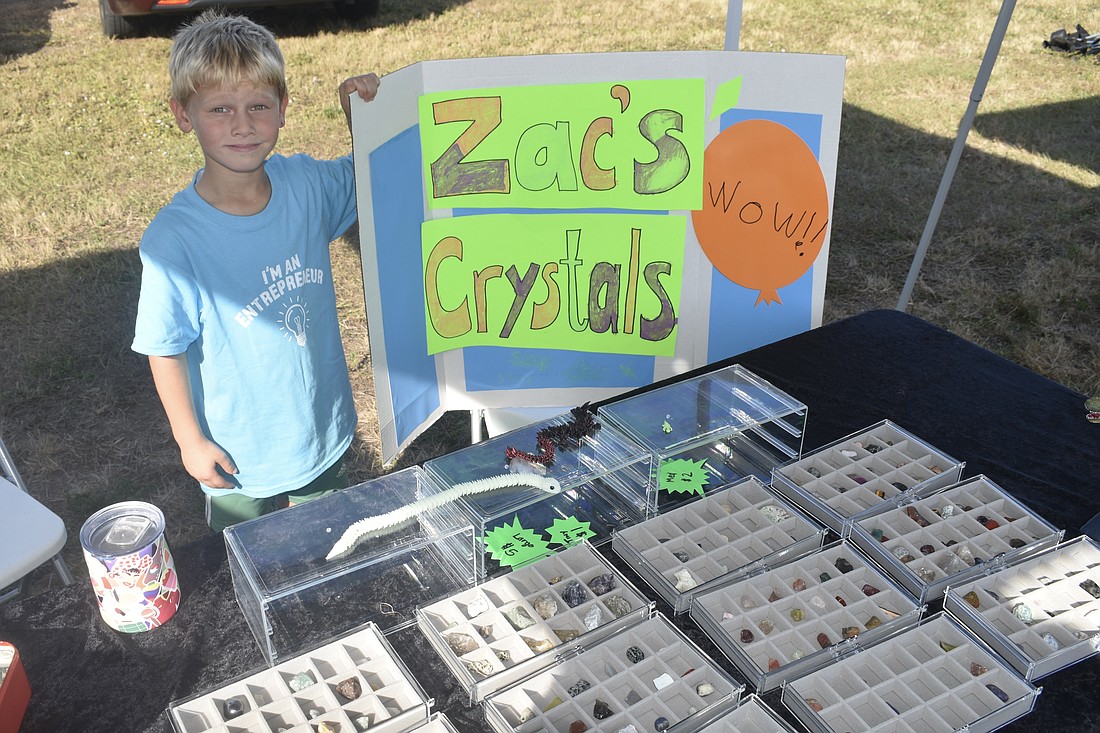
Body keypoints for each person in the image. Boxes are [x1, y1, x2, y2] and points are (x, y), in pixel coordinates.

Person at [132, 9, 380, 532]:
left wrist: (365, 116)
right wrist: (189, 440)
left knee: (331, 540)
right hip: (236, 455)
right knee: (246, 556)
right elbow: (164, 346)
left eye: (258, 105)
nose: (242, 124)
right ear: (183, 114)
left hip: (322, 428)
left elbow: (376, 174)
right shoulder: (173, 241)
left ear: (283, 109)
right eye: (220, 108)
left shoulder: (308, 187)